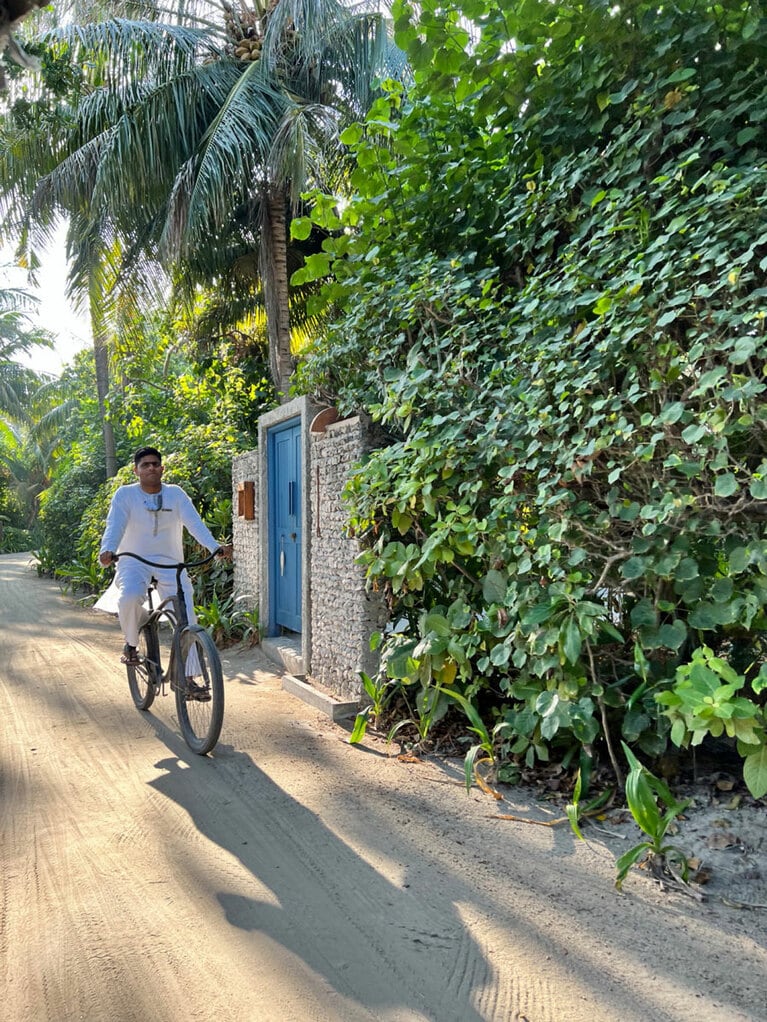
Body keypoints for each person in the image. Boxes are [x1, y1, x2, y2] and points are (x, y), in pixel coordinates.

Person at [96, 447, 232, 696]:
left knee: (187, 617)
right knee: (128, 597)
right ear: (136, 470)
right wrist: (107, 550)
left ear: (162, 468)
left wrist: (215, 547)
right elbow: (114, 525)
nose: (150, 468)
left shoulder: (175, 495)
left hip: (171, 563)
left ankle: (189, 678)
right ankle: (131, 645)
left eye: (155, 464)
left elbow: (195, 524)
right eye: (145, 464)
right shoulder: (125, 495)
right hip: (133, 561)